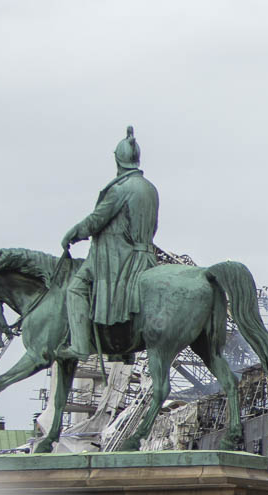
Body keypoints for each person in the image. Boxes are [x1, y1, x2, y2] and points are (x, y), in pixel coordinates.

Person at [56, 126, 160, 361]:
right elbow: (153, 226)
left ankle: (80, 347)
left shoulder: (120, 189)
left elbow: (96, 221)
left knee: (76, 289)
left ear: (118, 160)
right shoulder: (150, 189)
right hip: (146, 256)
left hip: (120, 259)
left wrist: (72, 234)